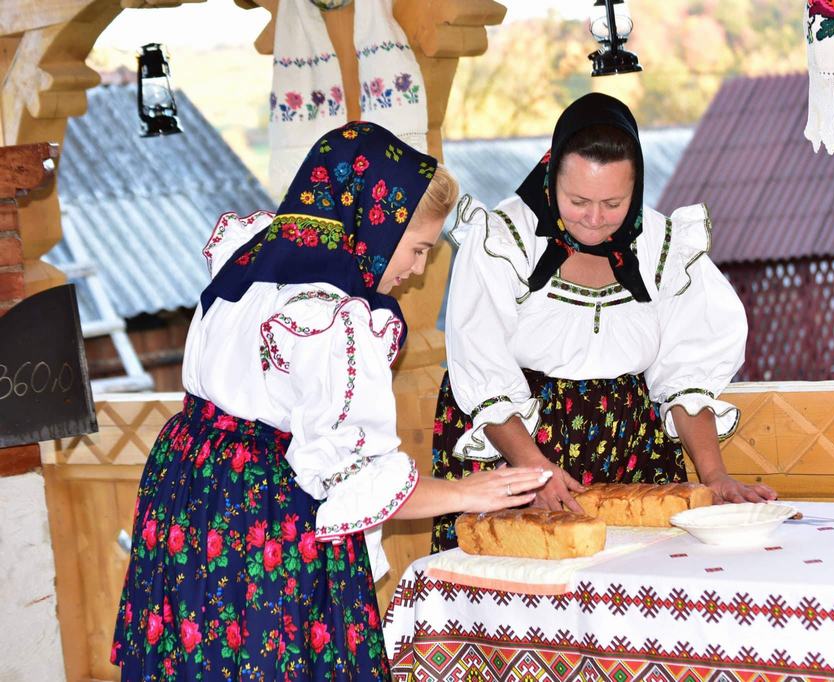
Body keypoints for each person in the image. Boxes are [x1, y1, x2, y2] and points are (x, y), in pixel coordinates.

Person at [111, 122, 547, 680]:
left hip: (189, 486)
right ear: (374, 225)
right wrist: (468, 492)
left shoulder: (254, 261)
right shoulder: (331, 317)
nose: (415, 270)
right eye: (415, 250)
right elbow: (355, 480)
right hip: (262, 510)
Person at [431, 93, 777, 552]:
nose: (594, 220)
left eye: (614, 203)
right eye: (578, 200)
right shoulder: (502, 240)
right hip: (516, 450)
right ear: (551, 179)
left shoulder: (664, 246)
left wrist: (715, 477)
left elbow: (685, 375)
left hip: (629, 446)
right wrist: (534, 471)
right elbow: (481, 367)